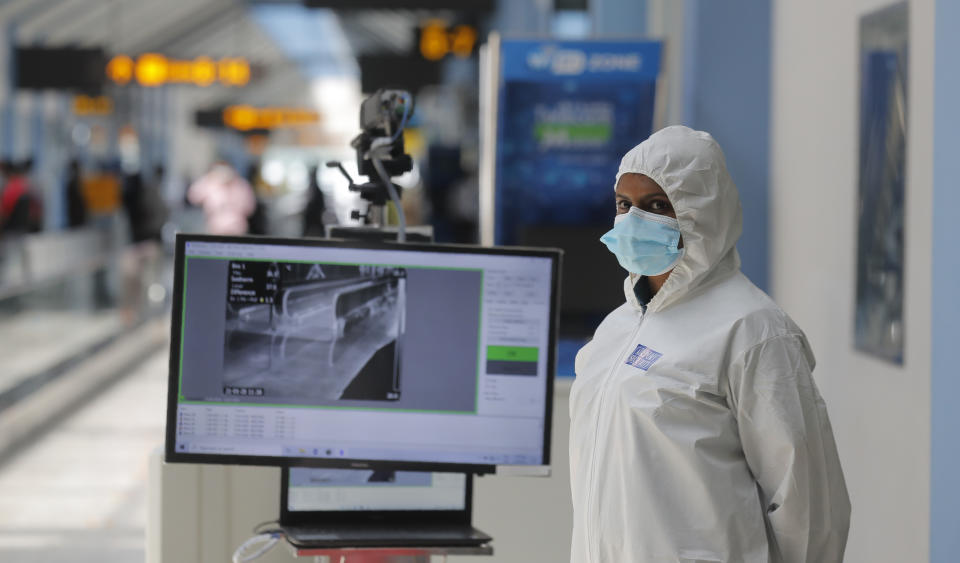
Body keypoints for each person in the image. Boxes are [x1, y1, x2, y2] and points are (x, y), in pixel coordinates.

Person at [569, 126, 850, 563]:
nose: (633, 221)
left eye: (657, 205)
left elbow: (808, 508)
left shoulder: (753, 330)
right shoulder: (616, 329)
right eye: (624, 205)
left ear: (703, 211)